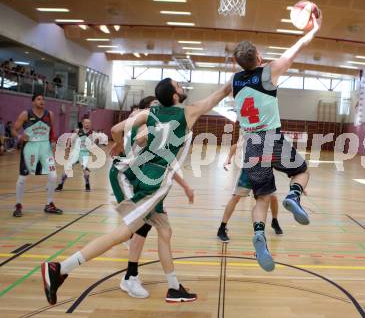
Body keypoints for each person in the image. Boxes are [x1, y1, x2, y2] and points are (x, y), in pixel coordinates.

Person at [41, 78, 232, 305]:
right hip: (155, 180)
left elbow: (116, 129)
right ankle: (60, 268)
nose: (182, 86)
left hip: (143, 172)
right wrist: (244, 73)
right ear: (174, 96)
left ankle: (173, 288)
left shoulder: (151, 113)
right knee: (125, 233)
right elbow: (221, 92)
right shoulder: (187, 113)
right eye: (178, 85)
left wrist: (120, 144)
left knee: (164, 232)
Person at [231, 15, 320, 271]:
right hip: (272, 138)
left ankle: (259, 233)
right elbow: (298, 47)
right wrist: (314, 28)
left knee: (261, 199)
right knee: (302, 171)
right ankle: (293, 196)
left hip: (251, 145)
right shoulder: (268, 73)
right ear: (258, 57)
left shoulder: (234, 81)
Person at [115, 95, 196, 301]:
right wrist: (124, 152)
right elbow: (128, 138)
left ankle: (173, 286)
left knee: (163, 230)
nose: (158, 110)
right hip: (132, 176)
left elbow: (164, 161)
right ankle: (130, 277)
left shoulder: (156, 125)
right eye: (153, 107)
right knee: (141, 226)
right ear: (144, 110)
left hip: (147, 176)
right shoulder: (143, 122)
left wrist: (185, 185)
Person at [217, 138, 282, 242]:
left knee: (273, 197)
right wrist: (228, 159)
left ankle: (274, 221)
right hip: (248, 172)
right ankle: (222, 227)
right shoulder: (250, 134)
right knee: (236, 197)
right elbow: (235, 146)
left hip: (265, 173)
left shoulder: (270, 135)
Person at [12, 93, 63, 217]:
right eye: (39, 99)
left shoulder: (49, 114)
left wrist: (53, 141)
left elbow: (51, 131)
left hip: (45, 148)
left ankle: (49, 204)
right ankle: (18, 205)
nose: (42, 101)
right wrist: (19, 136)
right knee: (23, 178)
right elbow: (14, 129)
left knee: (53, 176)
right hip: (30, 148)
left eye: (43, 99)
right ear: (33, 101)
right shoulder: (26, 114)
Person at [55, 118, 97, 192]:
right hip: (76, 152)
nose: (87, 124)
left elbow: (93, 145)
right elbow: (70, 139)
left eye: (89, 123)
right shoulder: (78, 131)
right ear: (83, 123)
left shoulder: (92, 134)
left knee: (85, 170)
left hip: (85, 153)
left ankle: (87, 185)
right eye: (86, 123)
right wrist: (68, 146)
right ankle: (60, 185)